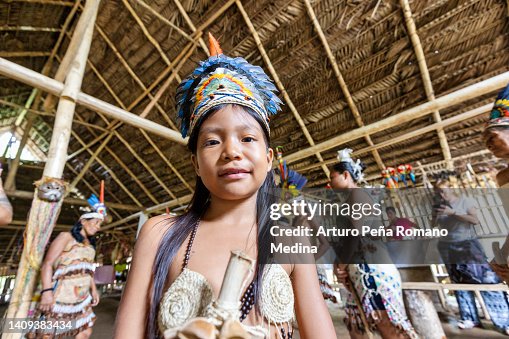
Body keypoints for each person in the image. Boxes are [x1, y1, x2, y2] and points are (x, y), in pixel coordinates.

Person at [114, 34, 336, 339]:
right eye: (213, 141)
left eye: (247, 139)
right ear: (195, 162)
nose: (232, 151)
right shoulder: (158, 234)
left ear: (269, 157)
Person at [331, 149, 418, 339]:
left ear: (346, 175)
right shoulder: (355, 198)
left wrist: (342, 264)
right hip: (366, 268)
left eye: (333, 177)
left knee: (387, 325)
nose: (330, 183)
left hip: (372, 270)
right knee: (374, 324)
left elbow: (354, 236)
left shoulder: (357, 196)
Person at [433, 179, 509, 334]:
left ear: (451, 188)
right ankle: (469, 317)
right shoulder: (439, 206)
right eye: (438, 191)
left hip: (468, 245)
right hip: (447, 246)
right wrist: (435, 216)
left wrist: (453, 213)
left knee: (486, 280)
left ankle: (503, 320)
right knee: (458, 282)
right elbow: (433, 225)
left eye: (444, 190)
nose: (442, 194)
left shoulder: (465, 201)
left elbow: (475, 220)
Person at [32, 212, 103, 338]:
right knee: (47, 334)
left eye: (100, 224)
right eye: (96, 222)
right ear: (83, 221)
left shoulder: (90, 244)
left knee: (85, 331)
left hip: (82, 297)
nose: (98, 227)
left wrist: (93, 289)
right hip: (61, 294)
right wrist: (47, 292)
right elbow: (47, 264)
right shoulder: (66, 237)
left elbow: (88, 269)